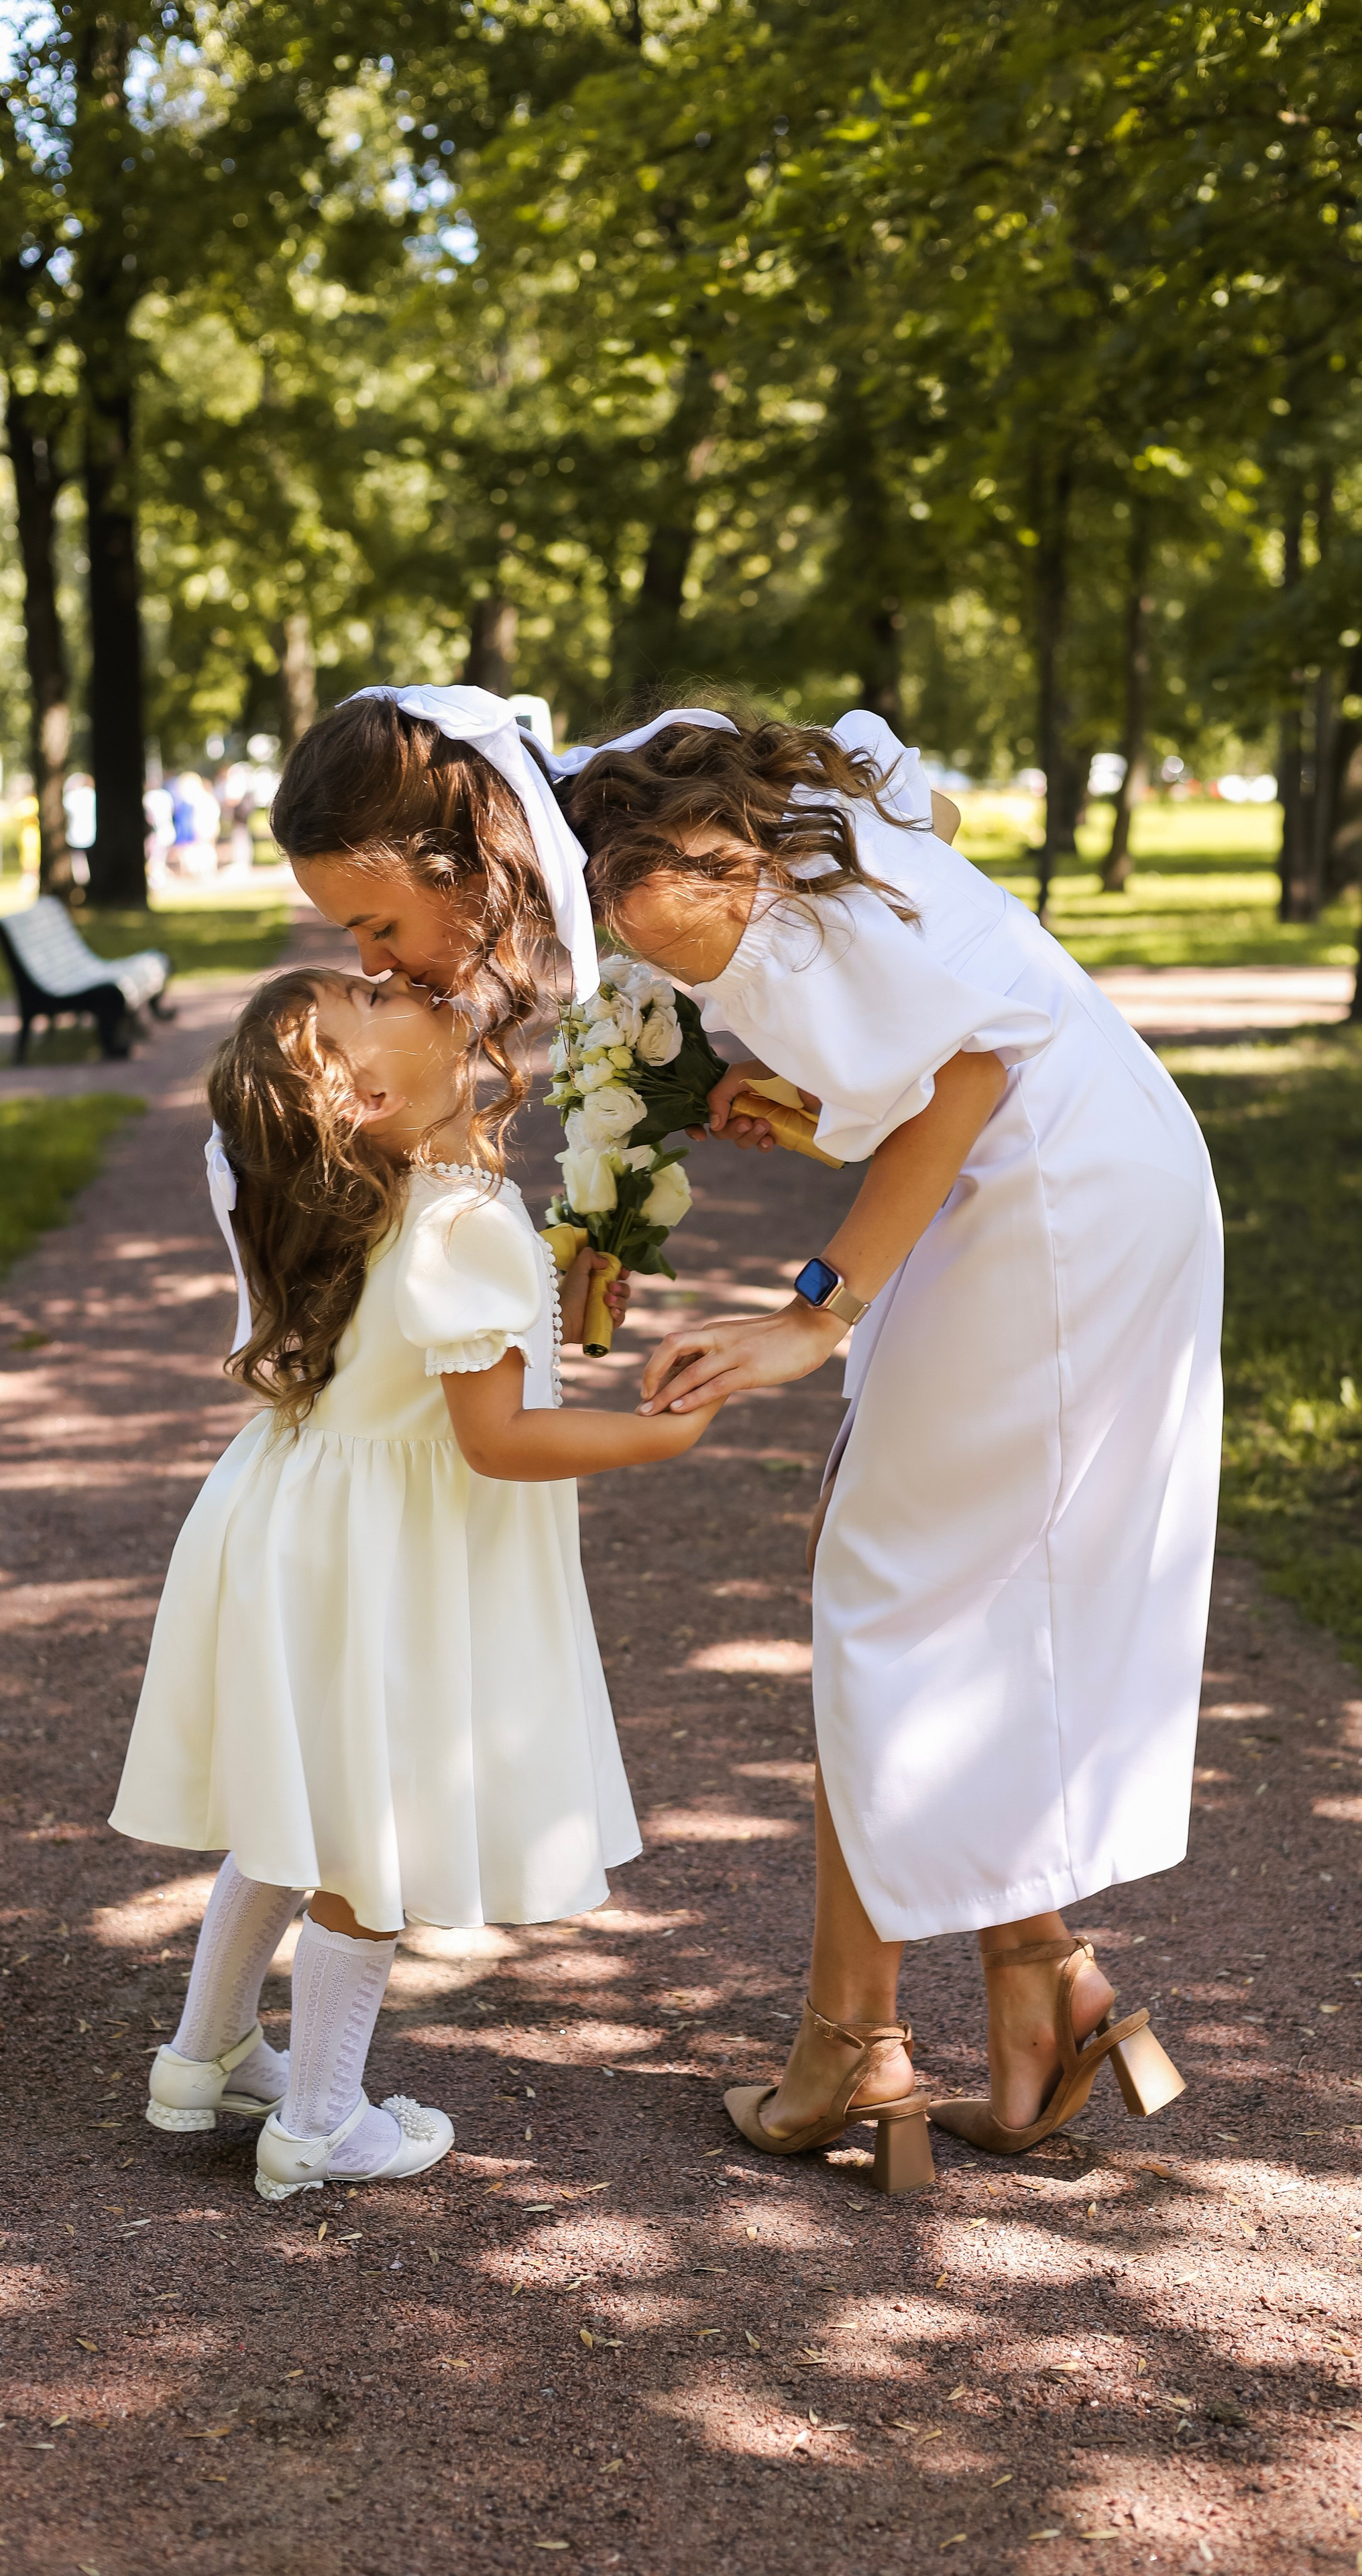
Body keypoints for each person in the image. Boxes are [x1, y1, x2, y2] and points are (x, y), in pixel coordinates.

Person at [272, 686, 1220, 2186]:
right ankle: (1017, 1995)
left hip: (1046, 1206)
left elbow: (970, 1064)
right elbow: (929, 903)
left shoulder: (658, 890)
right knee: (922, 1593)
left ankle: (868, 2040)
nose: (374, 962)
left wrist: (817, 1311)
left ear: (453, 856)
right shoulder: (633, 818)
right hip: (1079, 1168)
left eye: (380, 925)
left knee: (888, 1600)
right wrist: (751, 1116)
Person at [110, 949, 723, 2202]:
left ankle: (207, 2056)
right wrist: (666, 1434)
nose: (400, 980)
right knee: (374, 1827)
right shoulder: (453, 1217)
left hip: (294, 1517)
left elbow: (451, 1358)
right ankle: (326, 2121)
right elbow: (498, 1442)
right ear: (370, 1102)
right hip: (389, 1553)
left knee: (306, 1804)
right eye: (371, 1002)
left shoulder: (332, 1193)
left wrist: (549, 1299)